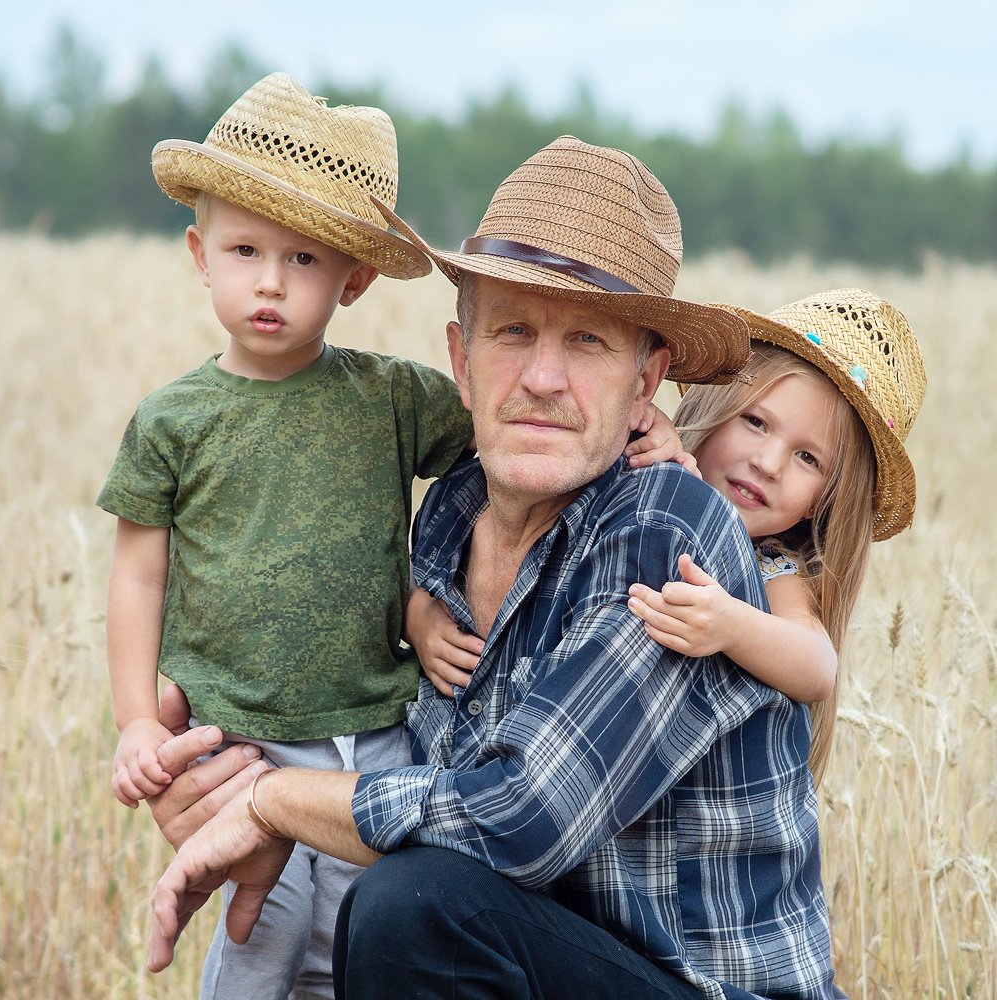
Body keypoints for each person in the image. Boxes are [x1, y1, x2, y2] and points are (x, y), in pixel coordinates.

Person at [144, 137, 847, 999]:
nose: (543, 377)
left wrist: (272, 801)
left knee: (415, 905)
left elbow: (524, 820)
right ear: (461, 361)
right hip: (546, 960)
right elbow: (381, 747)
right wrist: (215, 752)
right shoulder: (447, 513)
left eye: (587, 340)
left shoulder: (665, 527)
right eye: (513, 330)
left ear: (645, 384)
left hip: (703, 987)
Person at [98, 78, 681, 1000]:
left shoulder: (398, 404)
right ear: (199, 255)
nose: (270, 282)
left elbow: (522, 816)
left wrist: (651, 426)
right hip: (242, 731)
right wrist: (141, 721)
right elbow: (139, 578)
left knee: (375, 916)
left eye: (303, 259)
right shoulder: (179, 422)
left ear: (354, 279)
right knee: (270, 926)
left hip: (383, 742)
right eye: (244, 251)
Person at [627, 290, 926, 784]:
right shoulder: (658, 463)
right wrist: (647, 435)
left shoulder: (770, 564)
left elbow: (817, 665)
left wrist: (730, 624)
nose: (768, 464)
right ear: (716, 405)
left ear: (822, 502)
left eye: (808, 458)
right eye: (755, 421)